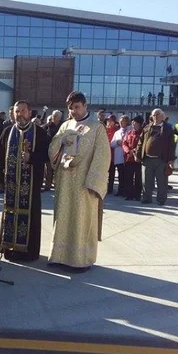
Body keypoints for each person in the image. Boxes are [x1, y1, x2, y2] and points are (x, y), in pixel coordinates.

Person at [47, 91, 110, 271]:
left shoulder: (97, 127)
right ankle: (59, 256)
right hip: (65, 180)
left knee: (81, 219)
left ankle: (80, 259)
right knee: (63, 217)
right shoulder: (65, 125)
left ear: (85, 105)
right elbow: (53, 148)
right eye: (70, 108)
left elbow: (102, 155)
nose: (73, 111)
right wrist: (61, 140)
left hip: (84, 183)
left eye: (76, 107)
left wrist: (93, 182)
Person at [0, 100, 50, 262]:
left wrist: (31, 157)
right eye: (17, 111)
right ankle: (10, 248)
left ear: (29, 112)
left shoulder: (39, 133)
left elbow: (47, 155)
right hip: (11, 185)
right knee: (11, 214)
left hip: (31, 187)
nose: (20, 115)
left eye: (23, 111)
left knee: (30, 217)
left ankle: (29, 252)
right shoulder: (7, 132)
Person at [137, 108, 175, 205]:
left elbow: (171, 145)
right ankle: (146, 198)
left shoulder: (168, 129)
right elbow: (140, 142)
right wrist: (138, 154)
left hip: (161, 160)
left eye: (157, 114)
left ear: (163, 116)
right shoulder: (147, 127)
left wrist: (170, 160)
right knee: (146, 181)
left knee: (162, 181)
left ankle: (161, 200)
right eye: (153, 115)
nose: (155, 117)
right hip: (147, 159)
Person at [122, 116, 143, 201]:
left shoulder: (143, 133)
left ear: (139, 124)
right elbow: (124, 143)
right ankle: (129, 194)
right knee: (128, 177)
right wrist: (128, 151)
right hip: (129, 158)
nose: (133, 124)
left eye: (135, 123)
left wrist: (135, 151)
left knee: (138, 178)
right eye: (133, 123)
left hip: (138, 159)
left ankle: (137, 195)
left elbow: (143, 144)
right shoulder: (129, 132)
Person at [41, 110, 63, 191]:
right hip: (49, 150)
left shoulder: (62, 126)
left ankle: (57, 184)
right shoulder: (47, 126)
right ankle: (47, 185)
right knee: (49, 169)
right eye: (56, 116)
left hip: (59, 151)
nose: (57, 118)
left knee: (58, 169)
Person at [109, 115, 129, 197]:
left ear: (127, 122)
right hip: (119, 156)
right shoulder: (117, 132)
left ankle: (126, 191)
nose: (121, 123)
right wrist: (117, 142)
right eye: (120, 121)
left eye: (123, 121)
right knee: (120, 175)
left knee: (127, 175)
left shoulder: (130, 130)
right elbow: (112, 144)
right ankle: (120, 191)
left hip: (127, 156)